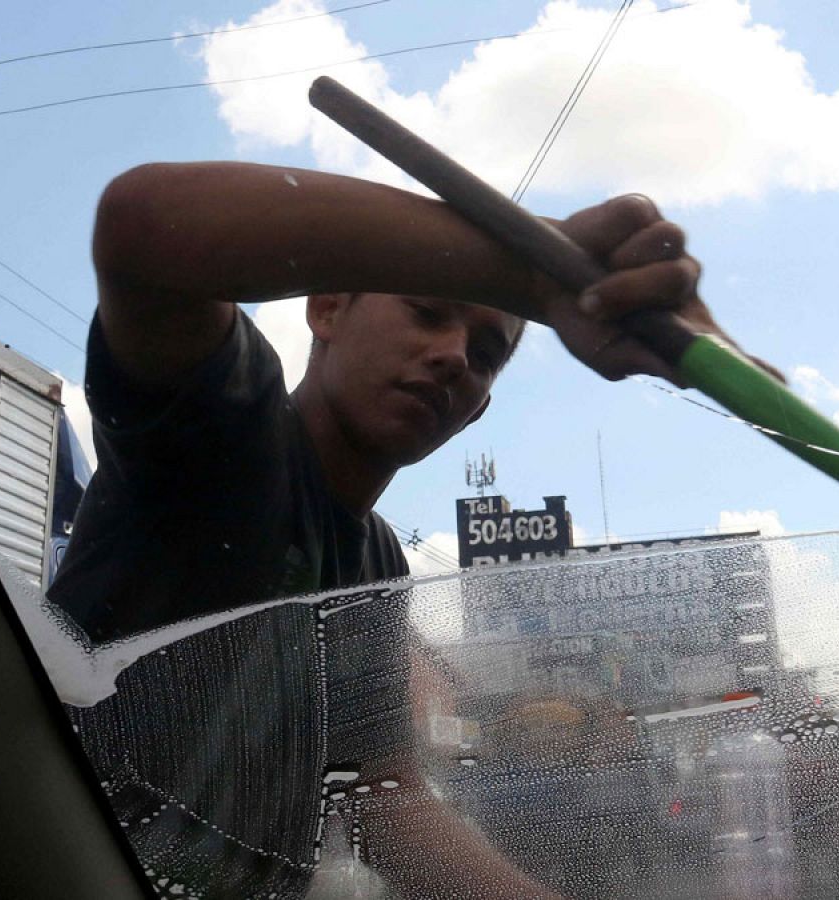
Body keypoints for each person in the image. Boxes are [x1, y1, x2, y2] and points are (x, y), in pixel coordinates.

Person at [48, 161, 757, 897]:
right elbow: (145, 224)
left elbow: (384, 795)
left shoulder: (378, 562)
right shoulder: (228, 435)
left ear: (477, 411)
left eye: (486, 355)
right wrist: (529, 271)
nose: (454, 355)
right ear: (325, 309)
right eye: (426, 310)